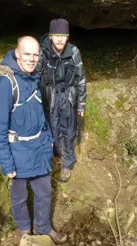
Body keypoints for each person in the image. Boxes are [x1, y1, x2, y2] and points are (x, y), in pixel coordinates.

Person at [0, 36, 67, 244]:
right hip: (18, 149)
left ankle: (43, 228)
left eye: (35, 54)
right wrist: (6, 163)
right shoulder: (5, 85)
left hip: (39, 147)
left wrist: (48, 138)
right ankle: (24, 230)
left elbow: (41, 114)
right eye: (27, 54)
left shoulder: (33, 79)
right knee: (19, 195)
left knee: (44, 192)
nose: (32, 59)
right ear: (17, 53)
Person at [37, 18, 87, 182]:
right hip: (49, 96)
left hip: (68, 95)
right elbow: (33, 74)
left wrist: (81, 104)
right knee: (52, 127)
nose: (60, 39)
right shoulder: (41, 52)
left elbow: (80, 79)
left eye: (63, 35)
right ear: (50, 36)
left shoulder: (74, 52)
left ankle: (67, 163)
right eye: (56, 35)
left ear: (68, 37)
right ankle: (56, 154)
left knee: (69, 130)